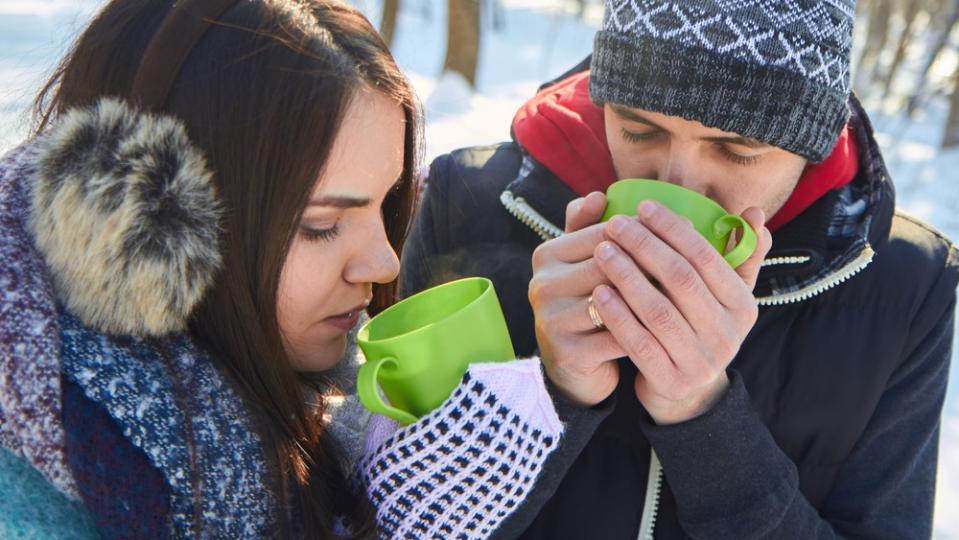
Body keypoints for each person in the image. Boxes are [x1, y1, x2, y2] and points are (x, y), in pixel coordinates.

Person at [0, 1, 575, 538]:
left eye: (387, 201)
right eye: (321, 224)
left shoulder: (320, 410)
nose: (384, 262)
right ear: (154, 223)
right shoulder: (40, 498)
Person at [400, 0, 959, 537]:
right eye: (640, 129)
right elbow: (382, 518)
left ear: (811, 142)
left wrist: (703, 417)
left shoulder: (907, 287)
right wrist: (548, 396)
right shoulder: (466, 203)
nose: (676, 189)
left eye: (737, 148)